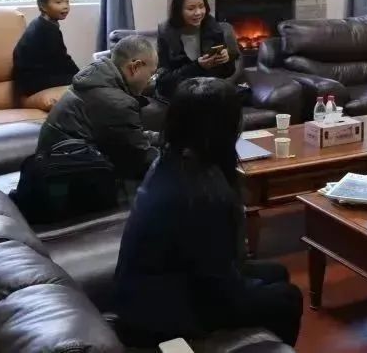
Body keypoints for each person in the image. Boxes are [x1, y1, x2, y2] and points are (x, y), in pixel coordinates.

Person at [113, 78, 302, 347]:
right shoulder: (202, 193)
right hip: (162, 311)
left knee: (276, 272)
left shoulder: (172, 157)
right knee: (288, 298)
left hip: (156, 286)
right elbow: (219, 286)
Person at [35, 35, 160, 184]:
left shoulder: (96, 77)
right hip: (65, 178)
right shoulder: (117, 102)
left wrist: (164, 138)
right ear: (135, 67)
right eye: (151, 74)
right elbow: (140, 157)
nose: (150, 81)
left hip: (52, 163)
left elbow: (128, 137)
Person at [155, 0, 242, 100]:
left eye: (201, 6)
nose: (198, 13)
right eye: (191, 8)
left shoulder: (213, 28)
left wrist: (226, 60)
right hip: (179, 95)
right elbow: (164, 81)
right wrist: (198, 66)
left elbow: (227, 73)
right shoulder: (166, 33)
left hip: (209, 92)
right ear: (178, 10)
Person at [12, 0, 80, 98]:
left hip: (32, 78)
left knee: (83, 77)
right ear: (43, 6)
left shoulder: (40, 22)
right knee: (85, 81)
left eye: (67, 1)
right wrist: (80, 75)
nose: (65, 6)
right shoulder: (46, 29)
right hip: (33, 82)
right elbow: (63, 59)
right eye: (58, 2)